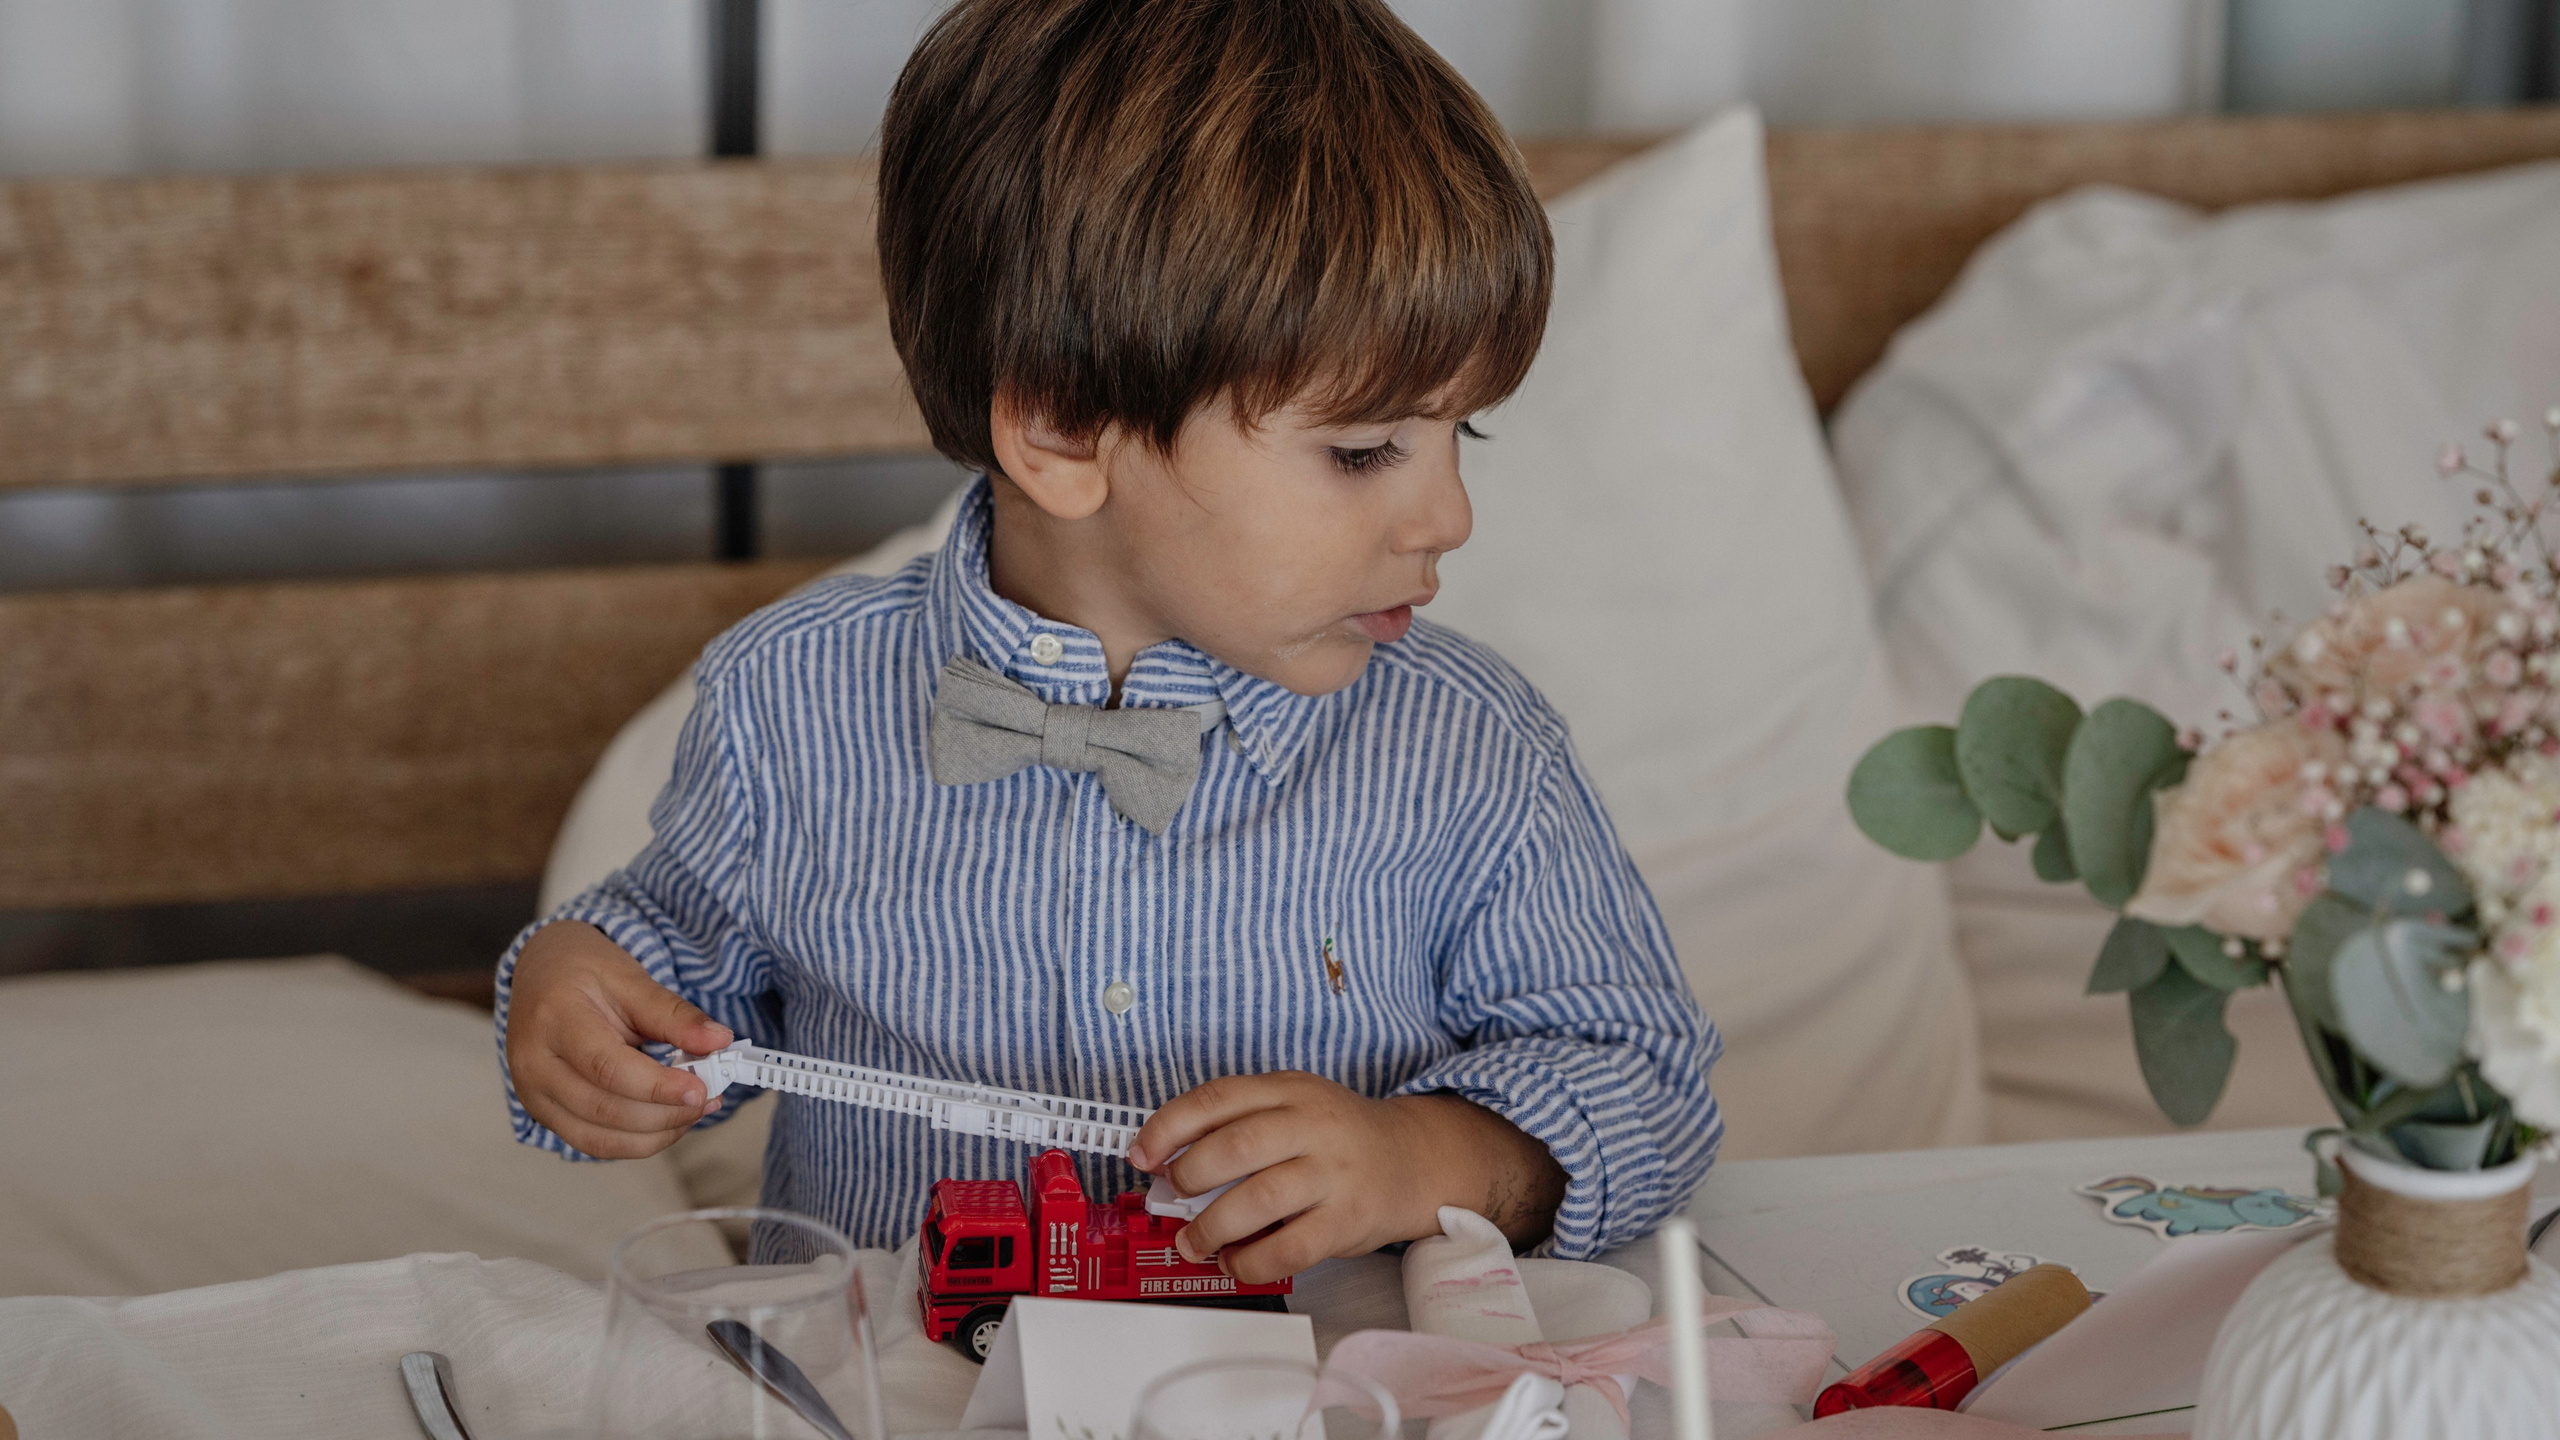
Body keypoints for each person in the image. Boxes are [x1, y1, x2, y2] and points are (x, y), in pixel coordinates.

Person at [497, 0, 1720, 1281]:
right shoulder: (788, 699)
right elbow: (675, 963)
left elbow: (1644, 1080)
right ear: (1069, 432)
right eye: (1363, 450)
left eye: (1458, 435)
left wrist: (1419, 1156)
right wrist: (580, 993)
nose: (1448, 515)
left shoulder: (1470, 747)